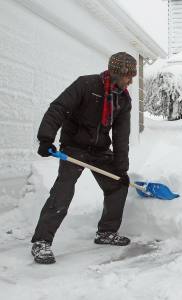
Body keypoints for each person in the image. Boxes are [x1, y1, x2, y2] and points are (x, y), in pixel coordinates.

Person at [31, 52, 137, 264]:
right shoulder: (86, 84)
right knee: (63, 191)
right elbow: (58, 108)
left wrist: (121, 169)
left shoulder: (123, 99)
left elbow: (121, 136)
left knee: (117, 185)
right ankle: (41, 242)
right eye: (128, 76)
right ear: (118, 72)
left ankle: (106, 232)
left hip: (99, 150)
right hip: (75, 147)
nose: (131, 81)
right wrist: (46, 138)